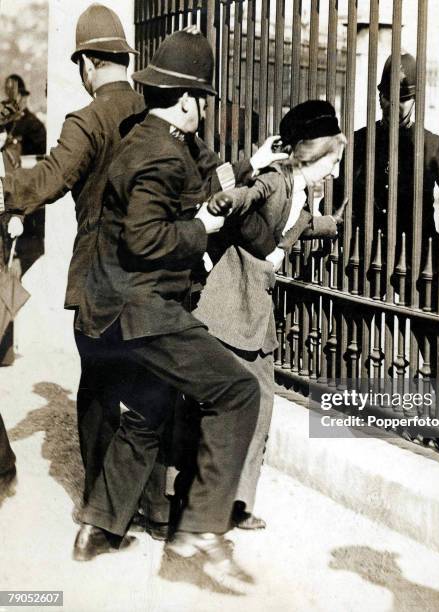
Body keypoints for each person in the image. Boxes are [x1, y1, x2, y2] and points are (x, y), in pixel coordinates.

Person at [72, 30, 261, 589]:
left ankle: (99, 526)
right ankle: (201, 531)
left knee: (150, 406)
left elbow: (189, 184)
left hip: (106, 311)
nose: (204, 107)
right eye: (202, 98)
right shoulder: (160, 153)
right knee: (237, 391)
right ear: (186, 102)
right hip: (141, 309)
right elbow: (146, 238)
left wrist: (236, 177)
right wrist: (200, 228)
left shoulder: (145, 137)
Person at [0, 4, 173, 528]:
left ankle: (102, 502)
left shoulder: (89, 119)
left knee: (98, 389)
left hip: (102, 279)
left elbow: (47, 181)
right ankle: (155, 501)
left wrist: (5, 190)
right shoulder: (153, 114)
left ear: (87, 64)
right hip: (155, 275)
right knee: (148, 384)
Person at [193, 100, 347, 529]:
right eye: (333, 161)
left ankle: (236, 503)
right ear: (313, 153)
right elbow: (250, 198)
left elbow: (293, 226)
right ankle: (207, 499)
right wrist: (230, 198)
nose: (335, 172)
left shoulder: (299, 191)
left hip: (252, 315)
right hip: (230, 306)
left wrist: (326, 226)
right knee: (228, 403)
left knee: (257, 404)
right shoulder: (275, 181)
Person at [344, 53, 439, 303]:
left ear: (415, 101)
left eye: (405, 99)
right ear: (380, 97)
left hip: (419, 257)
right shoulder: (360, 141)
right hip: (368, 254)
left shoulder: (432, 146)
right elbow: (341, 196)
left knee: (435, 336)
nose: (397, 105)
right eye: (390, 97)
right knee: (355, 334)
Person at [2, 74, 46, 157]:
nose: (8, 97)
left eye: (12, 92)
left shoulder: (35, 125)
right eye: (7, 90)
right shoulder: (4, 122)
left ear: (23, 96)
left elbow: (40, 155)